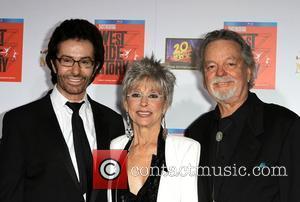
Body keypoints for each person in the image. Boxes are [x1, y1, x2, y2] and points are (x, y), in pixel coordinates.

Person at [0, 19, 125, 202]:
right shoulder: (20, 122)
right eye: (67, 61)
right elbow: (8, 195)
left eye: (85, 62)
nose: (75, 71)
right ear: (52, 63)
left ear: (96, 66)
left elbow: (114, 191)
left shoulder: (112, 121)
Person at [185, 29, 300, 202]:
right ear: (204, 77)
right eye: (211, 66)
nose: (220, 73)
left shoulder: (285, 126)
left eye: (230, 64)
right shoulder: (196, 132)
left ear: (249, 71)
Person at [108, 56, 200, 202]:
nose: (144, 103)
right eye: (136, 95)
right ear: (126, 102)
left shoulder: (187, 150)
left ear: (165, 104)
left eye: (153, 96)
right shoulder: (112, 148)